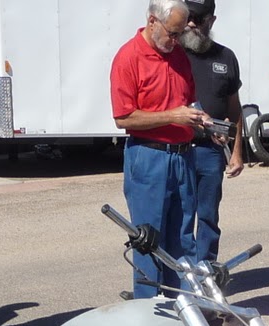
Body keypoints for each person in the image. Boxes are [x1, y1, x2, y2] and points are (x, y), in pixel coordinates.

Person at [110, 0, 211, 297]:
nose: (176, 40)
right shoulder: (128, 58)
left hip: (182, 157)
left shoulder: (178, 55)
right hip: (148, 157)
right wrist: (173, 116)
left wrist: (203, 119)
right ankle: (149, 316)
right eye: (173, 33)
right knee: (148, 240)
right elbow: (122, 117)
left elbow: (190, 100)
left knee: (182, 241)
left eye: (180, 33)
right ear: (153, 22)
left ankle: (184, 314)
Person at [180, 0, 243, 265]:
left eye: (198, 17)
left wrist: (237, 153)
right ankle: (182, 277)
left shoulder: (225, 57)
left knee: (208, 216)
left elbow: (235, 108)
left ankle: (205, 273)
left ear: (211, 21)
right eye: (188, 16)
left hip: (211, 152)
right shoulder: (172, 54)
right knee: (180, 218)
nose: (191, 23)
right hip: (178, 150)